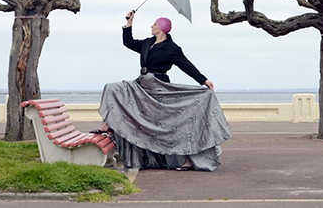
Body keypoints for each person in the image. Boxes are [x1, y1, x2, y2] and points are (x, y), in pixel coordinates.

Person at [94, 10, 232, 172]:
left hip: (160, 87)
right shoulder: (147, 43)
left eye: (154, 24)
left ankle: (188, 159)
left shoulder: (172, 48)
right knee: (112, 88)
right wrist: (129, 23)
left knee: (171, 124)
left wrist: (203, 80)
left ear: (162, 28)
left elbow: (187, 65)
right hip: (142, 84)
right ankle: (107, 124)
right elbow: (128, 42)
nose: (151, 26)